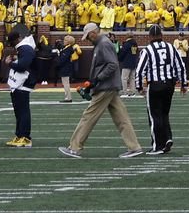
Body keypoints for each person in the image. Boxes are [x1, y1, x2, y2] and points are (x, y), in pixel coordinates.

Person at [59, 24, 144, 159]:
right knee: (121, 118)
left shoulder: (103, 44)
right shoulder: (102, 43)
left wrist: (97, 80)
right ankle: (134, 147)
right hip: (108, 86)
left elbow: (112, 65)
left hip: (105, 86)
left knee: (88, 116)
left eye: (88, 36)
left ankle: (75, 147)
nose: (87, 39)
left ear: (93, 33)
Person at [133, 27, 186, 154]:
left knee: (154, 115)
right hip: (169, 85)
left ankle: (157, 146)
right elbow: (180, 65)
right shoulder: (171, 47)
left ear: (150, 36)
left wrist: (139, 87)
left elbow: (140, 71)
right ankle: (167, 139)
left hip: (155, 85)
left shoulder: (147, 50)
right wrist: (184, 84)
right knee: (164, 113)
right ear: (161, 35)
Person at [4, 25, 37, 148]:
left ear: (18, 39)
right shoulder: (24, 47)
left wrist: (10, 63)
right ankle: (19, 135)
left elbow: (23, 66)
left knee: (22, 111)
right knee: (19, 111)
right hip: (21, 83)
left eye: (12, 42)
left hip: (23, 83)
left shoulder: (26, 48)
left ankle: (25, 137)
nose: (11, 44)